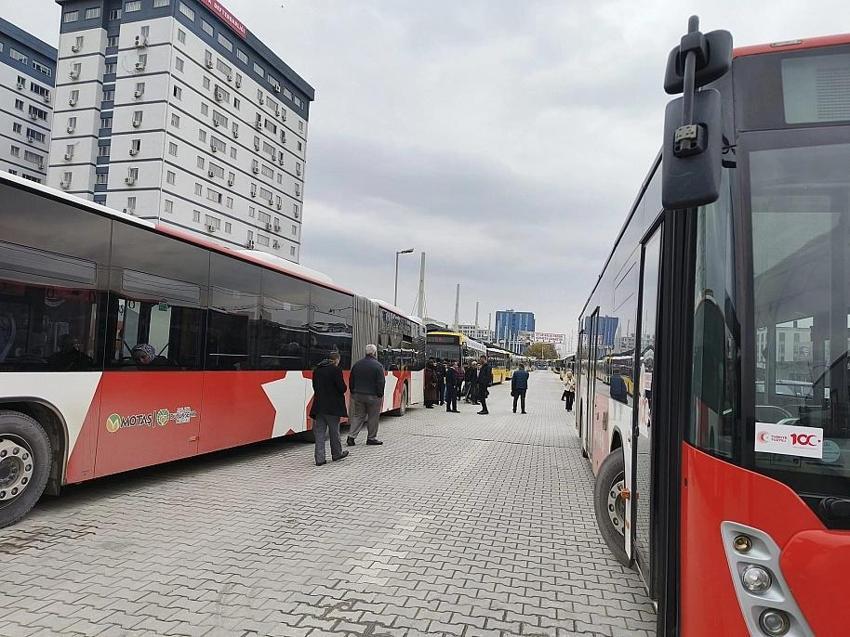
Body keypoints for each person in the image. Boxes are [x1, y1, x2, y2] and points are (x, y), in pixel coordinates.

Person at [310, 351, 349, 466]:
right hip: (332, 407)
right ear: (336, 360)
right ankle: (336, 454)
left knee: (320, 433)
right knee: (334, 432)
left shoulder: (317, 370)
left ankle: (319, 459)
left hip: (319, 406)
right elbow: (342, 388)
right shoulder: (336, 370)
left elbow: (315, 387)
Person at [346, 344, 385, 446]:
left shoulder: (357, 364)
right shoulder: (378, 366)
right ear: (375, 353)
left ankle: (351, 437)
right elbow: (381, 382)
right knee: (373, 417)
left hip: (358, 395)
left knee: (358, 415)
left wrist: (353, 391)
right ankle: (371, 438)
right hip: (373, 396)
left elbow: (351, 380)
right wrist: (380, 394)